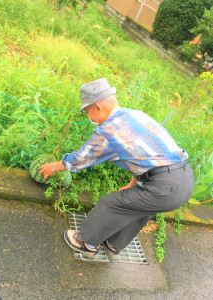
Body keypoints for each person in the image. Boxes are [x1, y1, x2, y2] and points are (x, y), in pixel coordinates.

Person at [39, 78, 194, 262]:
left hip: (164, 186)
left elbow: (81, 158)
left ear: (97, 107)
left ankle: (86, 243)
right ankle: (113, 244)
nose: (88, 116)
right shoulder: (134, 115)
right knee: (140, 208)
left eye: (87, 110)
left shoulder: (109, 130)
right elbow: (147, 157)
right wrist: (132, 184)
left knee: (110, 203)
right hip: (183, 180)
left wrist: (54, 166)